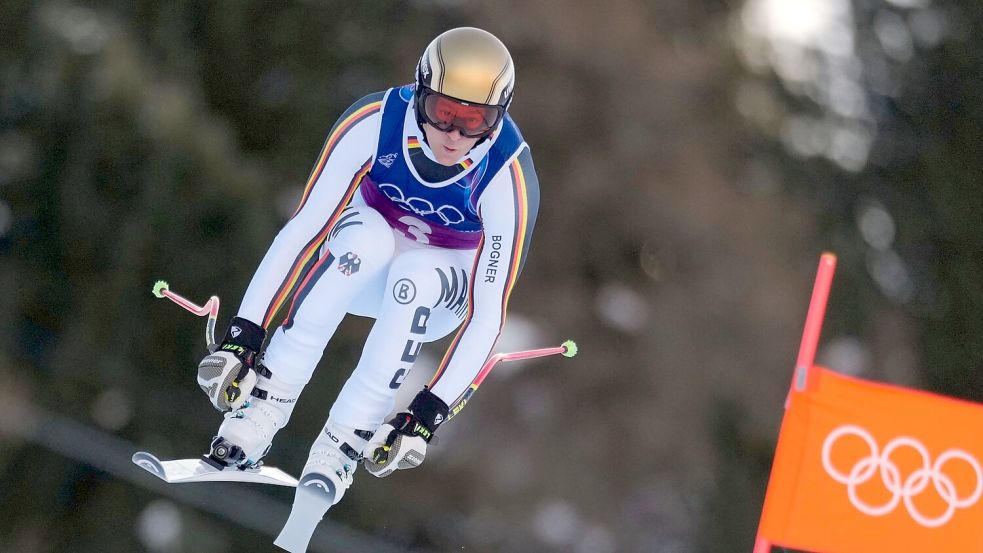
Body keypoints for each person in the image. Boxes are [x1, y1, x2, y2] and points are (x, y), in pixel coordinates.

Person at [194, 26, 540, 550]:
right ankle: (261, 408)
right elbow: (304, 230)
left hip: (437, 289)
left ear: (500, 116)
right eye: (444, 111)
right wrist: (245, 334)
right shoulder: (375, 121)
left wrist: (427, 413)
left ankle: (340, 449)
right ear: (419, 90)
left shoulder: (507, 175)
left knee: (415, 275)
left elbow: (488, 312)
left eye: (476, 121)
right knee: (370, 244)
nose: (453, 135)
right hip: (359, 258)